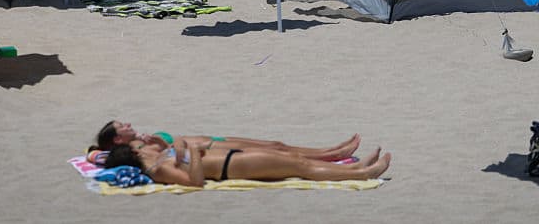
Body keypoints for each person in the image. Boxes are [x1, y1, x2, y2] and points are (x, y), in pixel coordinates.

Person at [104, 140, 390, 186]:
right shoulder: (157, 169)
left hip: (232, 159)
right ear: (134, 154)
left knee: (293, 159)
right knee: (299, 168)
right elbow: (195, 182)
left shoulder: (160, 157)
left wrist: (185, 149)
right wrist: (192, 149)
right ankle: (363, 174)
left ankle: (356, 168)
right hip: (230, 167)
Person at [93, 120, 362, 161]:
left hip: (212, 139)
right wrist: (159, 143)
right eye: (123, 126)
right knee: (276, 151)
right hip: (207, 150)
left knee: (275, 144)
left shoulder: (137, 140)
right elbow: (170, 155)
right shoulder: (135, 148)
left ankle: (330, 150)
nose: (128, 124)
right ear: (118, 138)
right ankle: (331, 155)